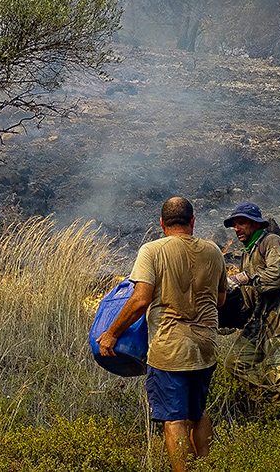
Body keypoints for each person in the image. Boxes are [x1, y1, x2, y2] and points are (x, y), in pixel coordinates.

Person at [96, 197, 227, 472]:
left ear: (161, 223)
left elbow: (140, 299)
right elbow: (221, 299)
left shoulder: (152, 250)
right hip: (205, 347)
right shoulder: (213, 251)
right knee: (198, 412)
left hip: (170, 349)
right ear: (192, 221)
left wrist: (111, 333)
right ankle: (207, 468)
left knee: (174, 419)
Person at [222, 202, 280, 423]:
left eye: (241, 223)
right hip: (259, 322)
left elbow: (278, 276)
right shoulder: (248, 251)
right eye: (234, 224)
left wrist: (245, 277)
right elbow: (252, 294)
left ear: (255, 223)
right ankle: (279, 405)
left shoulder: (271, 242)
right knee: (235, 363)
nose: (237, 228)